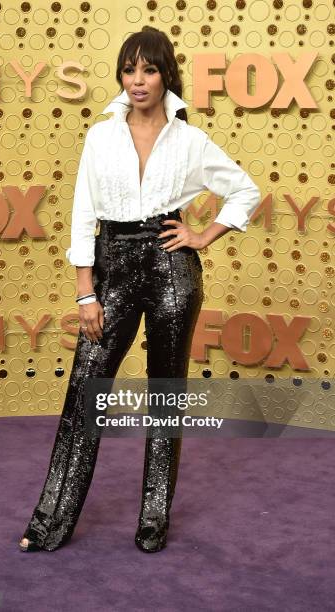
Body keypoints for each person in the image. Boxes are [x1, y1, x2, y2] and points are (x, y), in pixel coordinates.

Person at [19, 27, 261, 554]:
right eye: (129, 69)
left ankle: (153, 522)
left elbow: (246, 190)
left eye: (148, 69)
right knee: (87, 392)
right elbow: (84, 212)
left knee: (165, 396)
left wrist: (201, 235)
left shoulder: (190, 139)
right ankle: (50, 523)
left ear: (164, 74)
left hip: (172, 267)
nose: (137, 80)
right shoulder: (100, 135)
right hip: (113, 267)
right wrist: (86, 291)